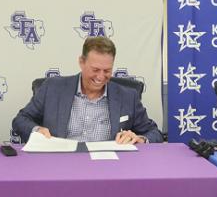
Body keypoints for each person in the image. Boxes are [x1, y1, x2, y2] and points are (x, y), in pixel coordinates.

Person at [12, 36, 163, 144]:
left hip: (110, 169)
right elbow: (20, 120)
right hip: (60, 165)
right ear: (81, 62)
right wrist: (37, 130)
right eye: (95, 69)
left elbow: (155, 133)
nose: (101, 76)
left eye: (107, 70)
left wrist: (140, 139)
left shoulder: (127, 96)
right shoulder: (52, 88)